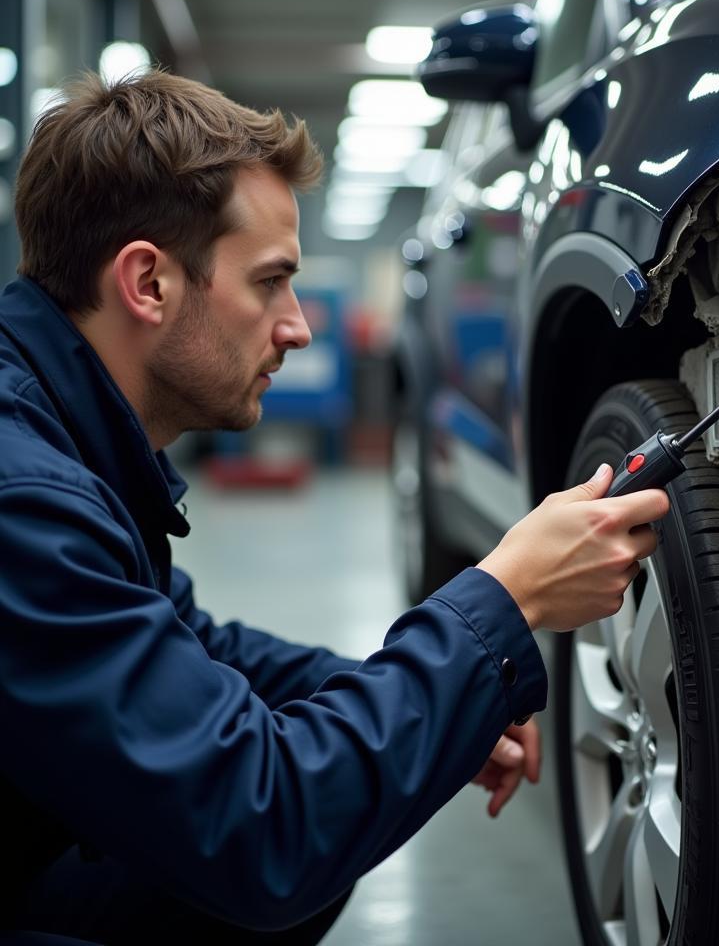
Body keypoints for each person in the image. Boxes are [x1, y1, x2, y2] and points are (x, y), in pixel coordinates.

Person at [0, 71, 669, 945]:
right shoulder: (25, 503)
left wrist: (436, 703)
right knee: (289, 858)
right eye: (270, 283)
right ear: (149, 284)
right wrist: (503, 602)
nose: (298, 326)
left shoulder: (62, 438)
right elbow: (264, 827)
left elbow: (190, 650)